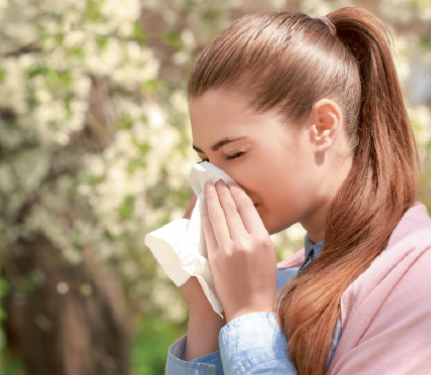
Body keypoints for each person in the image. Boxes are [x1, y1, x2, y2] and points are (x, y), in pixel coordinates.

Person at [164, 6, 431, 375]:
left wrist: (249, 314)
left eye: (234, 153)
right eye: (205, 161)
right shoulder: (276, 280)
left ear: (322, 126)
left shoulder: (415, 278)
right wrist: (208, 311)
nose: (215, 182)